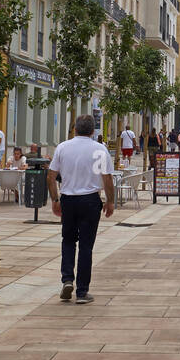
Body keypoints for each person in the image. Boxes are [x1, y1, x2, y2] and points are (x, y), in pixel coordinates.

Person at [47, 114, 115, 305]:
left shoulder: (63, 147)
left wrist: (55, 199)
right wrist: (110, 201)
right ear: (93, 131)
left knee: (68, 240)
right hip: (91, 201)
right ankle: (82, 292)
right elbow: (107, 178)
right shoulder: (100, 149)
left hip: (68, 199)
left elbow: (51, 176)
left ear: (74, 129)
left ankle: (67, 279)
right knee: (86, 246)